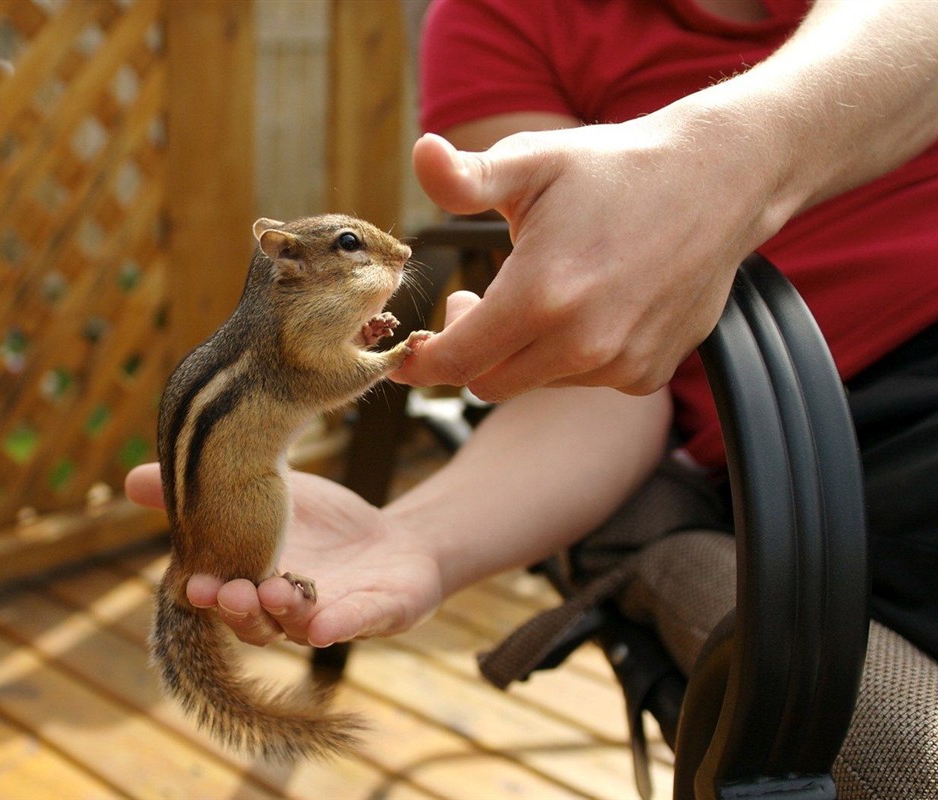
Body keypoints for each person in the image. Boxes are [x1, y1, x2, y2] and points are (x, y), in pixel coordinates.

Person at [126, 0, 938, 660]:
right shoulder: (500, 20)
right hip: (833, 426)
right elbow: (593, 368)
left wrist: (737, 157)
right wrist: (422, 535)